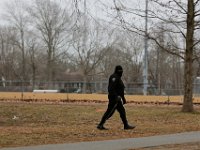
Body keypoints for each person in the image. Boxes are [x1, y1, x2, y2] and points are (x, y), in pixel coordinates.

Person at [97, 65, 135, 130]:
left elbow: (121, 90)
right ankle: (100, 125)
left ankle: (126, 125)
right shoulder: (114, 77)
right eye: (120, 70)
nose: (121, 72)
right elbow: (111, 89)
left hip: (118, 99)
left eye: (122, 70)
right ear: (117, 71)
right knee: (109, 112)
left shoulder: (118, 78)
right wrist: (116, 96)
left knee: (122, 111)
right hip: (114, 98)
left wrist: (123, 99)